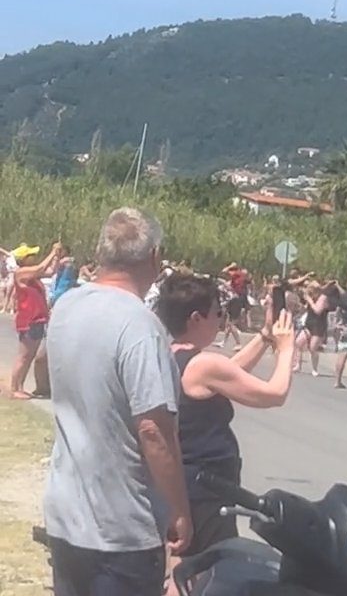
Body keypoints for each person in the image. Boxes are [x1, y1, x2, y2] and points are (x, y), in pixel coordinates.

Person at [44, 208, 191, 596]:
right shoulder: (140, 327)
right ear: (155, 257)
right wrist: (179, 509)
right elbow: (153, 430)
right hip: (122, 528)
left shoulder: (65, 308)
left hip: (66, 515)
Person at [155, 273, 294, 589]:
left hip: (184, 481)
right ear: (196, 318)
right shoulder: (204, 365)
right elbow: (274, 394)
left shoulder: (175, 354)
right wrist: (286, 350)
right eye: (218, 313)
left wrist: (265, 335)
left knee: (182, 567)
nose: (221, 321)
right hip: (206, 488)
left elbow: (231, 370)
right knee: (208, 570)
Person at [10, 242, 60, 399]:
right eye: (31, 255)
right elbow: (40, 269)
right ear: (24, 259)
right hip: (29, 319)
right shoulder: (21, 273)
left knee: (29, 356)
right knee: (24, 356)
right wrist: (52, 252)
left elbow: (50, 272)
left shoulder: (31, 276)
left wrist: (57, 257)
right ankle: (14, 387)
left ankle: (20, 386)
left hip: (38, 319)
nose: (34, 257)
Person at [294, 281, 329, 376]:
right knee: (298, 342)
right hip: (309, 323)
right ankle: (297, 365)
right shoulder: (312, 297)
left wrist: (310, 301)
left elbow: (318, 310)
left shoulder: (323, 298)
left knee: (313, 347)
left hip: (319, 325)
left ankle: (314, 368)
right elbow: (308, 308)